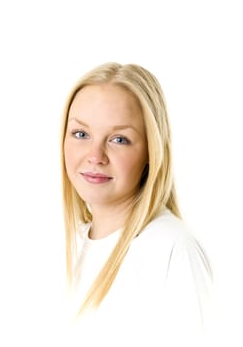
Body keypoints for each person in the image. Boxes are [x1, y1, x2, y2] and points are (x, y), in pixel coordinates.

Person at [61, 62, 213, 346]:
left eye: (119, 139)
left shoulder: (172, 247)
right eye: (81, 134)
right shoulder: (66, 246)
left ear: (151, 152)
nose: (95, 156)